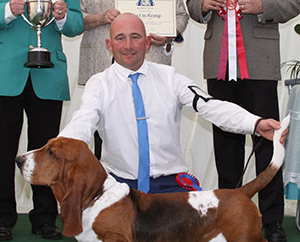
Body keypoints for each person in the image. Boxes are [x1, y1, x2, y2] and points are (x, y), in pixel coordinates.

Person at [59, 13, 286, 195]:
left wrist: (254, 123)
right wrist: (59, 148)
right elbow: (83, 121)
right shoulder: (98, 84)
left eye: (136, 37)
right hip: (118, 186)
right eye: (120, 38)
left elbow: (211, 106)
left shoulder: (170, 77)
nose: (128, 45)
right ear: (109, 44)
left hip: (170, 184)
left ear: (147, 42)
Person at [186, 0, 300, 242]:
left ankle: (272, 219)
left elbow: (294, 0)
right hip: (218, 62)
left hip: (260, 63)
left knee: (267, 141)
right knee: (226, 140)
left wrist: (263, 6)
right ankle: (227, 216)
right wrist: (205, 3)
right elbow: (191, 3)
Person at [0, 0, 83, 242]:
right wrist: (8, 10)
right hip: (6, 74)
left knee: (49, 152)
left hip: (47, 75)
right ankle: (3, 218)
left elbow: (77, 24)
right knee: (3, 148)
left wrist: (63, 16)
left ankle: (45, 218)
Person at [78, 0, 189, 159]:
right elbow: (76, 17)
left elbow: (181, 15)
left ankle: (151, 193)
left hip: (150, 68)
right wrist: (99, 18)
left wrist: (169, 33)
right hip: (104, 70)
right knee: (104, 136)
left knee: (150, 134)